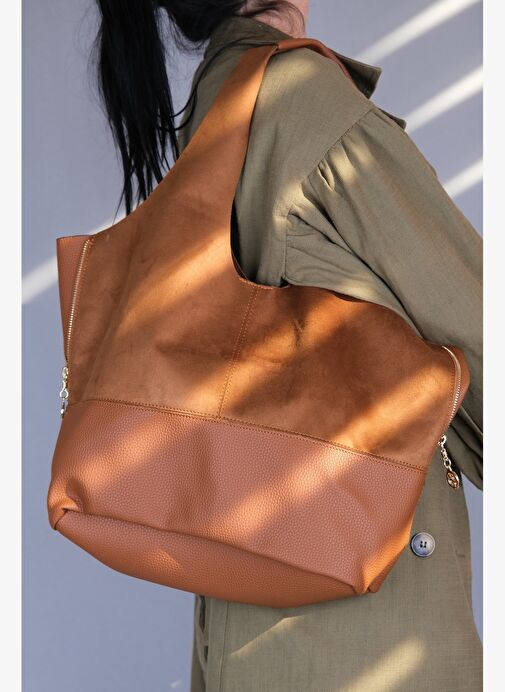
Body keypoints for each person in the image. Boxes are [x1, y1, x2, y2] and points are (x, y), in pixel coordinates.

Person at [93, 1, 483, 690]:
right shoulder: (300, 99)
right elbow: (474, 316)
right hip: (360, 630)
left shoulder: (217, 102)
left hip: (250, 617)